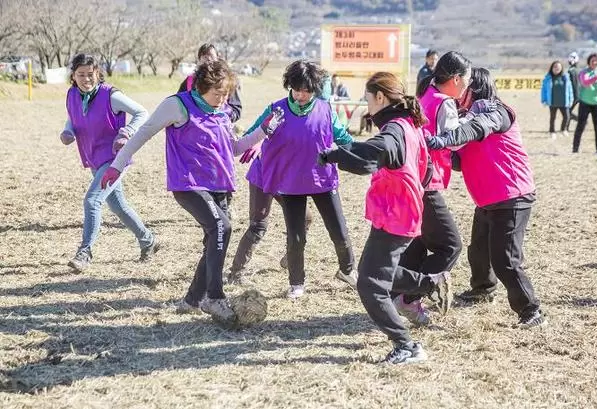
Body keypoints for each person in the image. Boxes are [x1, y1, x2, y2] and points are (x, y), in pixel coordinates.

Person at [100, 59, 285, 326]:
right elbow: (144, 133)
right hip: (189, 184)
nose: (223, 100)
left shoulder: (220, 112)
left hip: (221, 185)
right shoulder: (177, 105)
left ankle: (192, 299)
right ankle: (214, 296)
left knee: (215, 238)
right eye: (218, 93)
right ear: (201, 86)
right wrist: (117, 166)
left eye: (226, 94)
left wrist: (263, 132)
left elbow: (232, 148)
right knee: (222, 227)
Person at [317, 72, 452, 364]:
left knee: (369, 284)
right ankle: (430, 283)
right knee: (376, 271)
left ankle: (406, 346)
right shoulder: (409, 124)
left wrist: (334, 155)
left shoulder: (394, 130)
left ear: (380, 97)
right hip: (400, 211)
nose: (367, 106)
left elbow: (371, 155)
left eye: (367, 99)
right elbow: (422, 166)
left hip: (397, 214)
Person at [426, 67, 546, 328]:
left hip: (512, 194)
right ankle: (483, 288)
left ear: (475, 88)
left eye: (464, 87)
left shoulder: (497, 111)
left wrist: (442, 139)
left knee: (505, 260)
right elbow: (459, 158)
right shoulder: (463, 117)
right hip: (488, 198)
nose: (458, 93)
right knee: (478, 251)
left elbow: (478, 128)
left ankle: (531, 310)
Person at [239, 60, 357, 299]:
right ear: (289, 87)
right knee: (296, 236)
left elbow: (344, 138)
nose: (301, 95)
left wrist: (364, 153)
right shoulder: (277, 109)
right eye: (297, 89)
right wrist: (257, 139)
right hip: (291, 183)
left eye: (307, 90)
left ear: (315, 89)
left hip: (322, 179)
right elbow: (252, 133)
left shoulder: (325, 110)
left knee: (340, 231)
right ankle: (296, 283)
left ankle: (347, 270)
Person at [61, 53, 158, 272]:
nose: (86, 79)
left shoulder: (110, 95)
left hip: (115, 159)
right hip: (94, 158)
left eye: (90, 74)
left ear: (98, 73)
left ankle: (84, 253)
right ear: (73, 76)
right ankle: (148, 240)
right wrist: (67, 131)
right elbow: (72, 116)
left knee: (92, 200)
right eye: (80, 74)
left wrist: (126, 132)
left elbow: (142, 112)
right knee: (118, 206)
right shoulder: (72, 94)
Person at [395, 51, 471, 322]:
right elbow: (455, 140)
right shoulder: (445, 103)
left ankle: (398, 295)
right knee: (450, 246)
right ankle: (409, 298)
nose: (466, 87)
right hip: (426, 183)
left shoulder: (425, 93)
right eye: (466, 80)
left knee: (417, 245)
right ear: (454, 79)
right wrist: (470, 123)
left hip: (411, 178)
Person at [178, 43, 242, 123]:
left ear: (217, 58)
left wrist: (220, 116)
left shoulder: (226, 81)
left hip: (220, 129)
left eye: (211, 56)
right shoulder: (189, 81)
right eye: (204, 57)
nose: (208, 59)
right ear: (199, 60)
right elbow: (179, 105)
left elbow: (236, 110)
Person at [572, 53, 597, 153]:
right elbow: (586, 82)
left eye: (596, 60)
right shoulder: (584, 72)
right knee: (581, 125)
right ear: (589, 62)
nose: (594, 62)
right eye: (592, 60)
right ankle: (575, 149)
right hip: (585, 102)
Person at [541, 60, 574, 139]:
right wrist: (544, 100)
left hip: (564, 101)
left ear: (561, 68)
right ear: (552, 68)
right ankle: (552, 131)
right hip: (552, 101)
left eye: (558, 67)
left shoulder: (565, 77)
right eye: (555, 67)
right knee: (553, 118)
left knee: (567, 116)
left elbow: (570, 89)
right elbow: (544, 90)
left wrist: (571, 99)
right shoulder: (548, 78)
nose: (556, 68)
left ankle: (563, 129)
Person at [567, 52, 580, 126]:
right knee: (568, 111)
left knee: (567, 111)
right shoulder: (578, 70)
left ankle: (566, 127)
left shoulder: (570, 71)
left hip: (574, 95)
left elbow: (573, 84)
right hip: (578, 95)